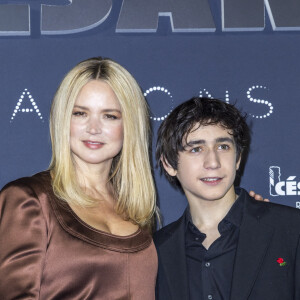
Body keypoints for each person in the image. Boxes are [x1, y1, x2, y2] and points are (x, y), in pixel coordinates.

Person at [0, 57, 157, 299]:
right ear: (64, 119)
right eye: (80, 113)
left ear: (130, 125)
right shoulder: (30, 200)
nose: (93, 128)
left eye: (110, 116)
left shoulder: (137, 210)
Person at [154, 97, 300, 300]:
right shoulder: (156, 251)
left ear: (238, 158)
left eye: (223, 147)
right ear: (169, 164)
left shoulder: (291, 230)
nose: (213, 162)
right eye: (196, 149)